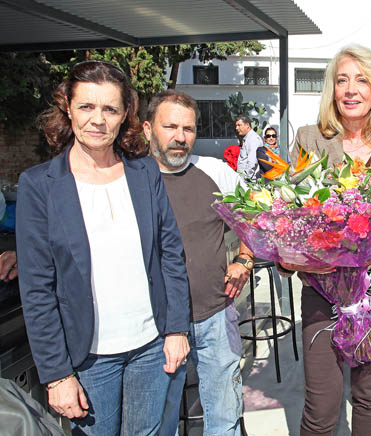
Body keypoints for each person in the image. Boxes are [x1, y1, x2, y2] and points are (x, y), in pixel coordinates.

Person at [15, 60, 191, 435]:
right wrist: (57, 373)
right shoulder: (40, 186)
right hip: (88, 358)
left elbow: (170, 254)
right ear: (68, 108)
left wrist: (177, 329)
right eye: (86, 107)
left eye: (110, 109)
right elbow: (36, 289)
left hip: (150, 346)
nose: (98, 119)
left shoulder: (144, 173)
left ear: (125, 113)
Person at [280, 44, 371, 436]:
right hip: (323, 285)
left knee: (369, 394)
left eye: (361, 79)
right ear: (332, 89)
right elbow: (292, 210)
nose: (350, 89)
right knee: (322, 402)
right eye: (342, 80)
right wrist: (302, 252)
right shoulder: (310, 140)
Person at [144, 90, 251, 436]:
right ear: (148, 129)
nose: (180, 137)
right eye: (170, 126)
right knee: (159, 423)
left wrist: (245, 260)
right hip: (154, 325)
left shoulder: (214, 172)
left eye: (188, 129)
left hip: (215, 315)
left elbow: (256, 218)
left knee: (224, 417)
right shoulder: (131, 179)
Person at [235, 114, 263, 180]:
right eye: (236, 125)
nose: (236, 128)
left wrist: (245, 178)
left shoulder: (253, 139)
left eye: (239, 125)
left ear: (247, 125)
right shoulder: (248, 138)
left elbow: (252, 162)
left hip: (250, 180)